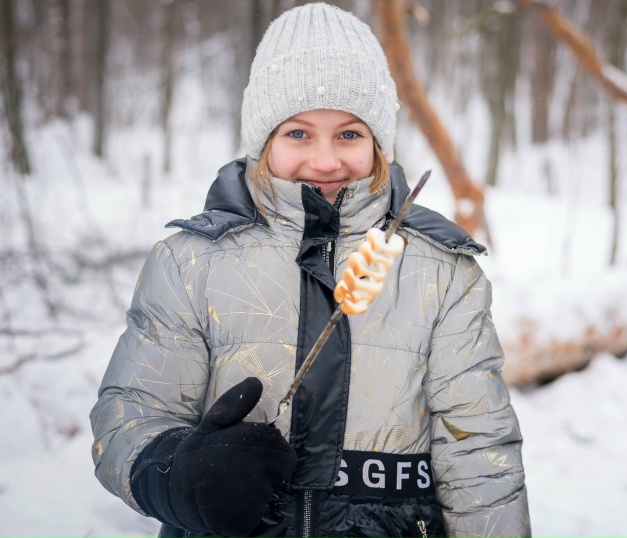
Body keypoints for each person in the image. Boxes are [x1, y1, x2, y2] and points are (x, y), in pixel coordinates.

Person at [89, 3, 529, 537]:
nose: (324, 161)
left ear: (378, 142)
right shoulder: (191, 261)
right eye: (298, 133)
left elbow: (480, 451)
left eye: (349, 134)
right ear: (263, 139)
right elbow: (128, 414)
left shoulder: (441, 272)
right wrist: (178, 474)